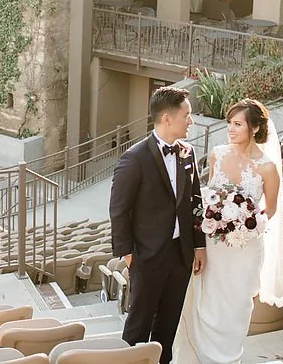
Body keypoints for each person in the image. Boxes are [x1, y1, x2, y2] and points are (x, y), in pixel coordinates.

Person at [174, 98, 283, 364]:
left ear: (255, 128)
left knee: (234, 307)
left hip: (243, 249)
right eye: (229, 124)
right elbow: (210, 196)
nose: (231, 129)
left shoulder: (268, 168)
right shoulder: (218, 154)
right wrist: (218, 217)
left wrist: (244, 222)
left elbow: (269, 210)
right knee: (204, 302)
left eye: (238, 124)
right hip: (212, 247)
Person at [109, 86, 207, 364]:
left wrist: (198, 245)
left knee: (168, 325)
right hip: (147, 256)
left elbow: (195, 201)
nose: (191, 121)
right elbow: (118, 210)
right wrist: (128, 254)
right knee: (138, 325)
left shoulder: (187, 153)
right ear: (166, 118)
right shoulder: (134, 158)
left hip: (180, 255)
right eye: (186, 115)